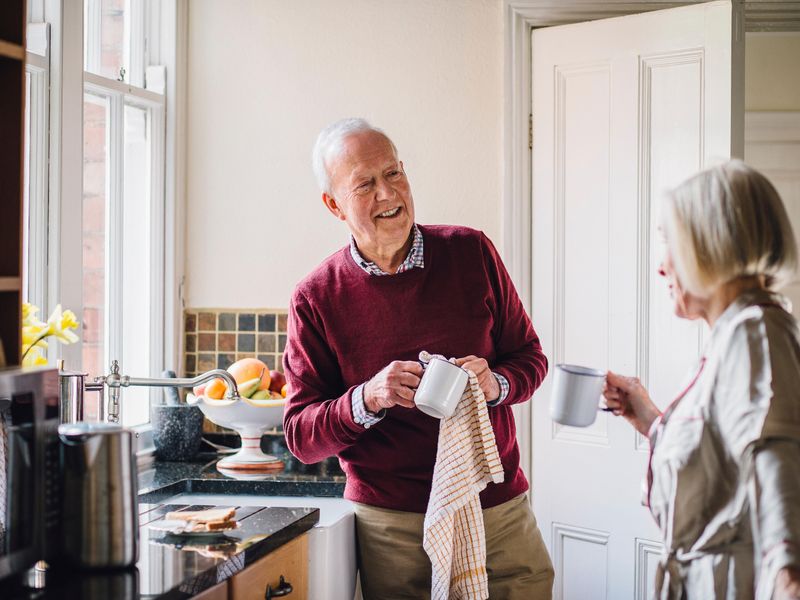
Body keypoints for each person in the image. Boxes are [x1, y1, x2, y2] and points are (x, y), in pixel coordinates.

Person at [282, 118, 555, 599]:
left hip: (496, 508)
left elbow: (530, 358)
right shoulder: (315, 297)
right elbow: (301, 436)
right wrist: (368, 398)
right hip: (392, 525)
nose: (388, 195)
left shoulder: (470, 252)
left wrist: (496, 385)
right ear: (334, 205)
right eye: (365, 184)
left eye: (394, 173)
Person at [602, 160, 800, 600]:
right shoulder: (733, 336)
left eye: (669, 241)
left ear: (711, 246)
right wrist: (651, 420)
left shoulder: (756, 334)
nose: (661, 266)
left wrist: (789, 579)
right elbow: (722, 472)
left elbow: (778, 473)